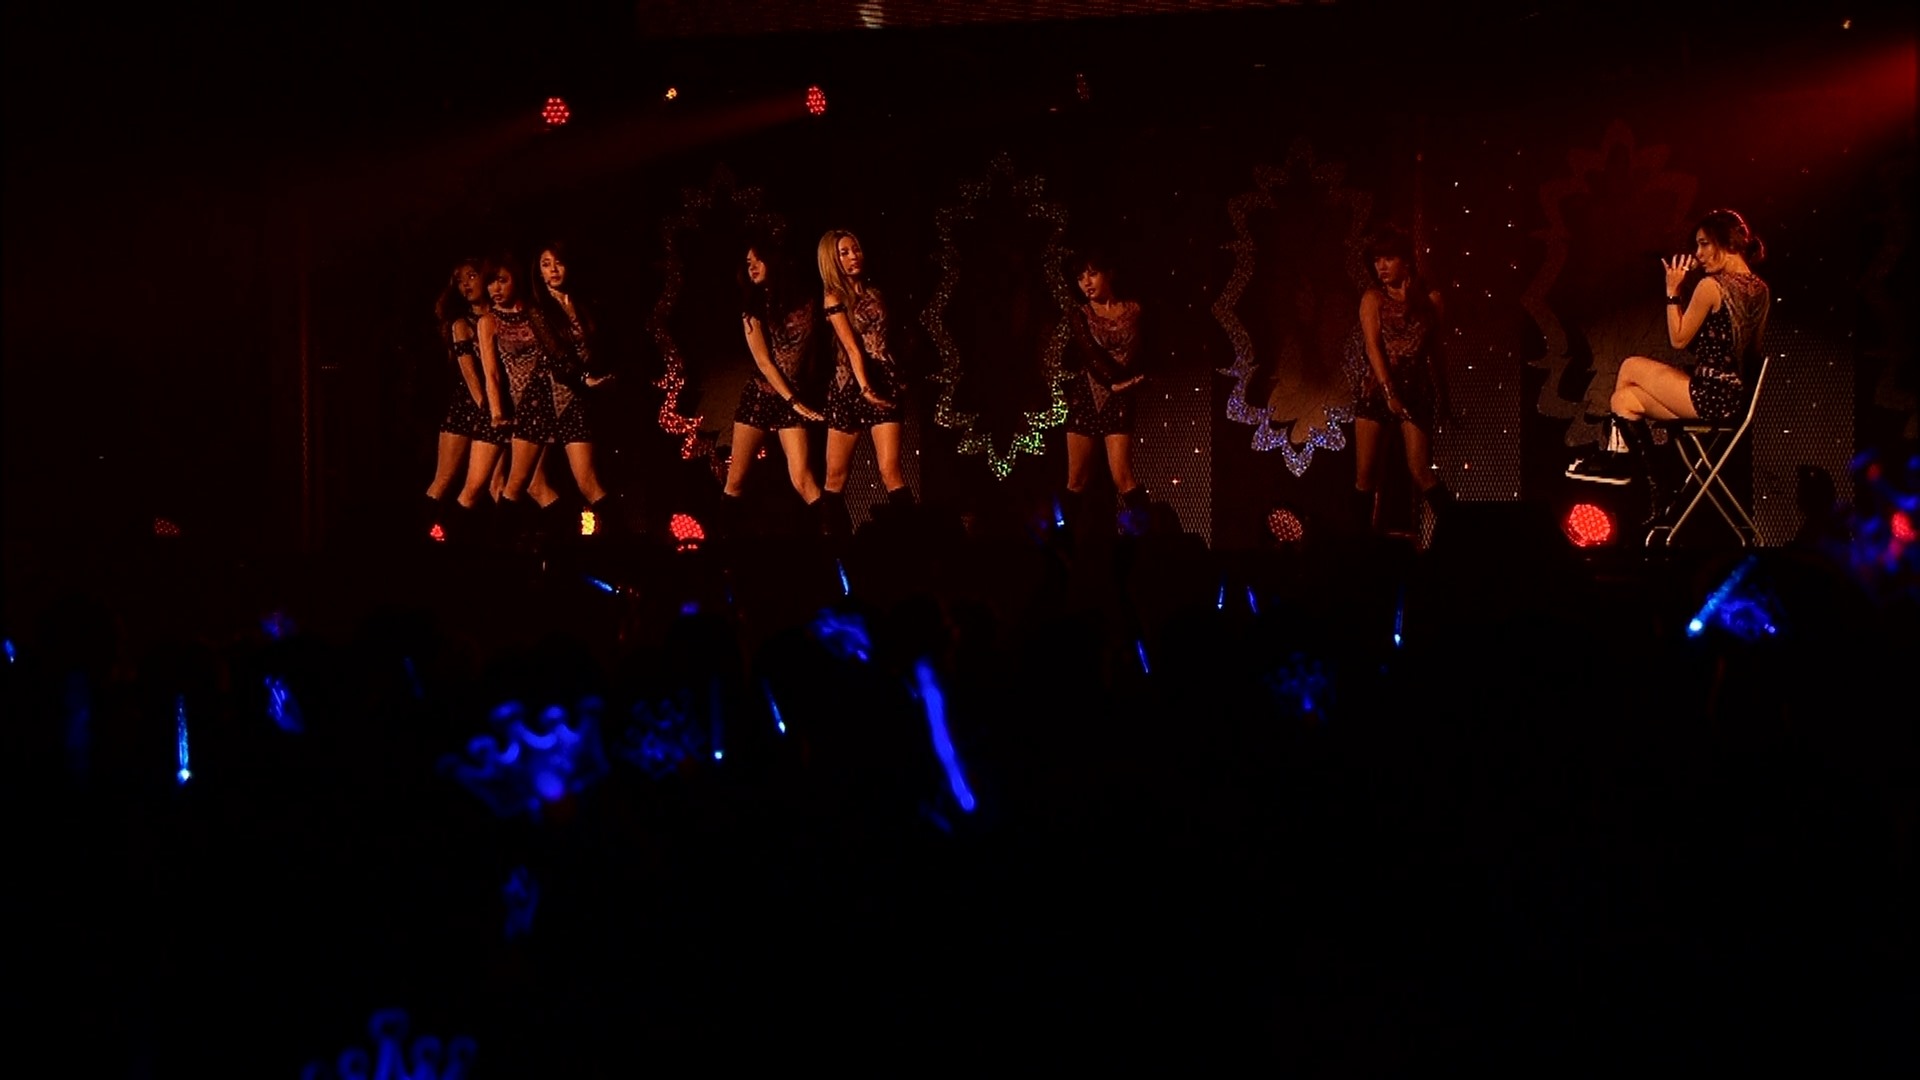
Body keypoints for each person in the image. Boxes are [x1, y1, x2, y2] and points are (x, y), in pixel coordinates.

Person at [1565, 208, 1770, 527]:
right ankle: (1658, 491)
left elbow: (1678, 339)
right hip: (1733, 400)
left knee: (1630, 366)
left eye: (1704, 244)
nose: (1698, 254)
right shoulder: (1760, 290)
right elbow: (1746, 351)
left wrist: (1672, 291)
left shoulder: (1712, 286)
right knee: (1623, 400)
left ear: (1726, 242)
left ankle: (1621, 459)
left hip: (1709, 396)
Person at [1344, 224, 1453, 534]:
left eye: (1388, 259)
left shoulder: (1431, 299)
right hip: (1378, 387)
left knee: (1420, 469)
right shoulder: (1373, 298)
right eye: (1376, 260)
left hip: (1416, 387)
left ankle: (1459, 530)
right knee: (1366, 476)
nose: (1381, 266)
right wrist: (1389, 393)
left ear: (1406, 261)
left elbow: (1436, 351)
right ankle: (1361, 543)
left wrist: (1445, 396)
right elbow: (1373, 348)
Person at [722, 239, 827, 537]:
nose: (752, 267)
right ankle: (724, 549)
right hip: (762, 395)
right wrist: (793, 401)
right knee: (735, 480)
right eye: (748, 263)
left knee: (803, 479)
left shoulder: (806, 300)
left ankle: (837, 545)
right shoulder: (752, 309)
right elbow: (765, 363)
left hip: (794, 395)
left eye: (758, 260)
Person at [817, 229, 911, 536]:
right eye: (844, 253)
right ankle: (836, 546)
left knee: (890, 470)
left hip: (884, 380)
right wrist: (865, 388)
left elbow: (887, 337)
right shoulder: (833, 296)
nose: (853, 256)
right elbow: (851, 347)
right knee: (835, 476)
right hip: (849, 387)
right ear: (832, 260)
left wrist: (893, 373)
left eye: (855, 249)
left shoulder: (875, 292)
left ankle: (913, 539)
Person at [527, 242, 623, 537]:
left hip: (576, 401)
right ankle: (564, 538)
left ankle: (622, 539)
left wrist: (598, 379)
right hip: (546, 399)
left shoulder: (584, 304)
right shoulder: (538, 310)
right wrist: (584, 378)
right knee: (532, 482)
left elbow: (599, 347)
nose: (553, 270)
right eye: (546, 264)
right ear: (538, 272)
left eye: (558, 263)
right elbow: (556, 354)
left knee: (587, 482)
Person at [1059, 248, 1152, 537]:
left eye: (1092, 274)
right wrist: (1114, 382)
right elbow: (1091, 355)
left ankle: (1150, 537)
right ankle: (1064, 543)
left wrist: (1135, 379)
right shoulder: (1080, 314)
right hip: (1087, 395)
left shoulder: (1135, 311)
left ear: (1109, 274)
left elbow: (1149, 349)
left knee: (1122, 476)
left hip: (1121, 397)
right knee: (1076, 480)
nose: (1086, 283)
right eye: (1080, 278)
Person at [474, 253, 563, 550]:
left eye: (502, 280)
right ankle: (549, 544)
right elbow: (491, 373)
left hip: (540, 404)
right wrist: (496, 413)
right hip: (510, 407)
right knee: (519, 485)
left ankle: (500, 552)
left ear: (517, 280)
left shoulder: (535, 314)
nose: (496, 289)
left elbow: (556, 354)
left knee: (523, 484)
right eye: (490, 282)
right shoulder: (488, 321)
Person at [424, 257, 510, 541]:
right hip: (468, 407)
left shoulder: (501, 318)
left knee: (497, 482)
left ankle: (500, 541)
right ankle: (428, 537)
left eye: (471, 277)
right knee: (444, 479)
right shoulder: (461, 324)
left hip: (496, 405)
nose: (466, 285)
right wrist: (488, 409)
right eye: (460, 282)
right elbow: (471, 376)